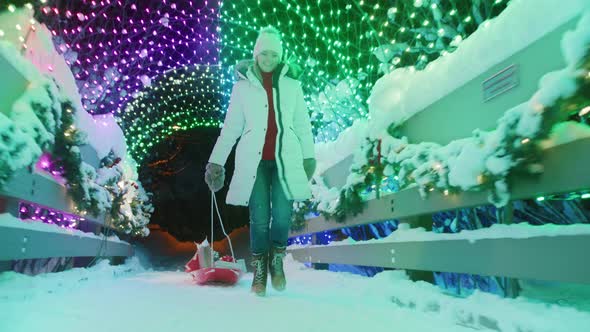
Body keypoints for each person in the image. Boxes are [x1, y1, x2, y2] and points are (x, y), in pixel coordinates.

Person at [204, 26, 316, 296]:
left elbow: (302, 124)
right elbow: (230, 128)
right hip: (253, 163)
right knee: (259, 218)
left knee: (282, 215)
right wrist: (216, 162)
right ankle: (260, 270)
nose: (268, 59)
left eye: (273, 54)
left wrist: (308, 156)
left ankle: (276, 259)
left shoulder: (292, 86)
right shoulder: (241, 88)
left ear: (280, 56)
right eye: (264, 53)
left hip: (284, 161)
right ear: (256, 54)